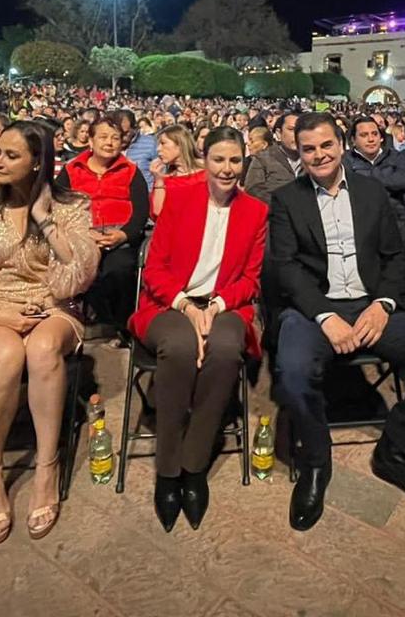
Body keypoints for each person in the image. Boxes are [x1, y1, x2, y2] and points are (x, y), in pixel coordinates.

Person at [269, 112, 405, 532]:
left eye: (326, 145)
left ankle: (396, 452)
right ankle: (316, 461)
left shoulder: (371, 191)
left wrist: (383, 304)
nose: (319, 155)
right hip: (314, 308)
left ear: (341, 145)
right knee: (292, 373)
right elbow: (287, 268)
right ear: (299, 153)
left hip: (371, 304)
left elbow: (395, 257)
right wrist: (325, 315)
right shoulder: (286, 198)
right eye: (308, 149)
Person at [0, 121, 100, 544]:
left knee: (44, 347)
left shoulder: (71, 206)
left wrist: (44, 220)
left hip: (53, 304)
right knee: (8, 354)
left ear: (37, 163)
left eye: (11, 155)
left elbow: (80, 274)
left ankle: (47, 467)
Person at [129, 127, 268, 532]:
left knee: (224, 351)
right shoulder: (180, 198)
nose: (227, 169)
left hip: (226, 304)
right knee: (179, 347)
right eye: (218, 159)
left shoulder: (256, 211)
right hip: (171, 302)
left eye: (235, 160)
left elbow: (251, 279)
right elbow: (155, 269)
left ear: (244, 163)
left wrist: (217, 306)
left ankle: (194, 464)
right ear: (205, 159)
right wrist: (188, 307)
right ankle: (168, 469)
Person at [56, 117, 149, 337]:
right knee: (80, 268)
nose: (109, 143)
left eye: (115, 138)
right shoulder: (72, 169)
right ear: (90, 140)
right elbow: (57, 206)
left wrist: (123, 234)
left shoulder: (131, 171)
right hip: (80, 236)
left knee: (119, 269)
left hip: (119, 237)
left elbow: (141, 211)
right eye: (103, 137)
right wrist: (82, 234)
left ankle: (118, 326)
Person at [244, 111, 302, 202]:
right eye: (291, 129)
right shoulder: (263, 158)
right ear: (279, 133)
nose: (296, 134)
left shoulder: (312, 158)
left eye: (301, 130)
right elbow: (252, 189)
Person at [149, 124, 204, 218]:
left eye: (163, 143)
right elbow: (157, 213)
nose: (158, 149)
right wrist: (158, 180)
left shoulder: (207, 173)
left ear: (180, 144)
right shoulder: (164, 179)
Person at [118, 109, 159, 191]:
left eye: (125, 133)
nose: (122, 137)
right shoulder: (110, 146)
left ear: (135, 128)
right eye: (119, 132)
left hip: (146, 194)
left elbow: (162, 173)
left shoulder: (151, 143)